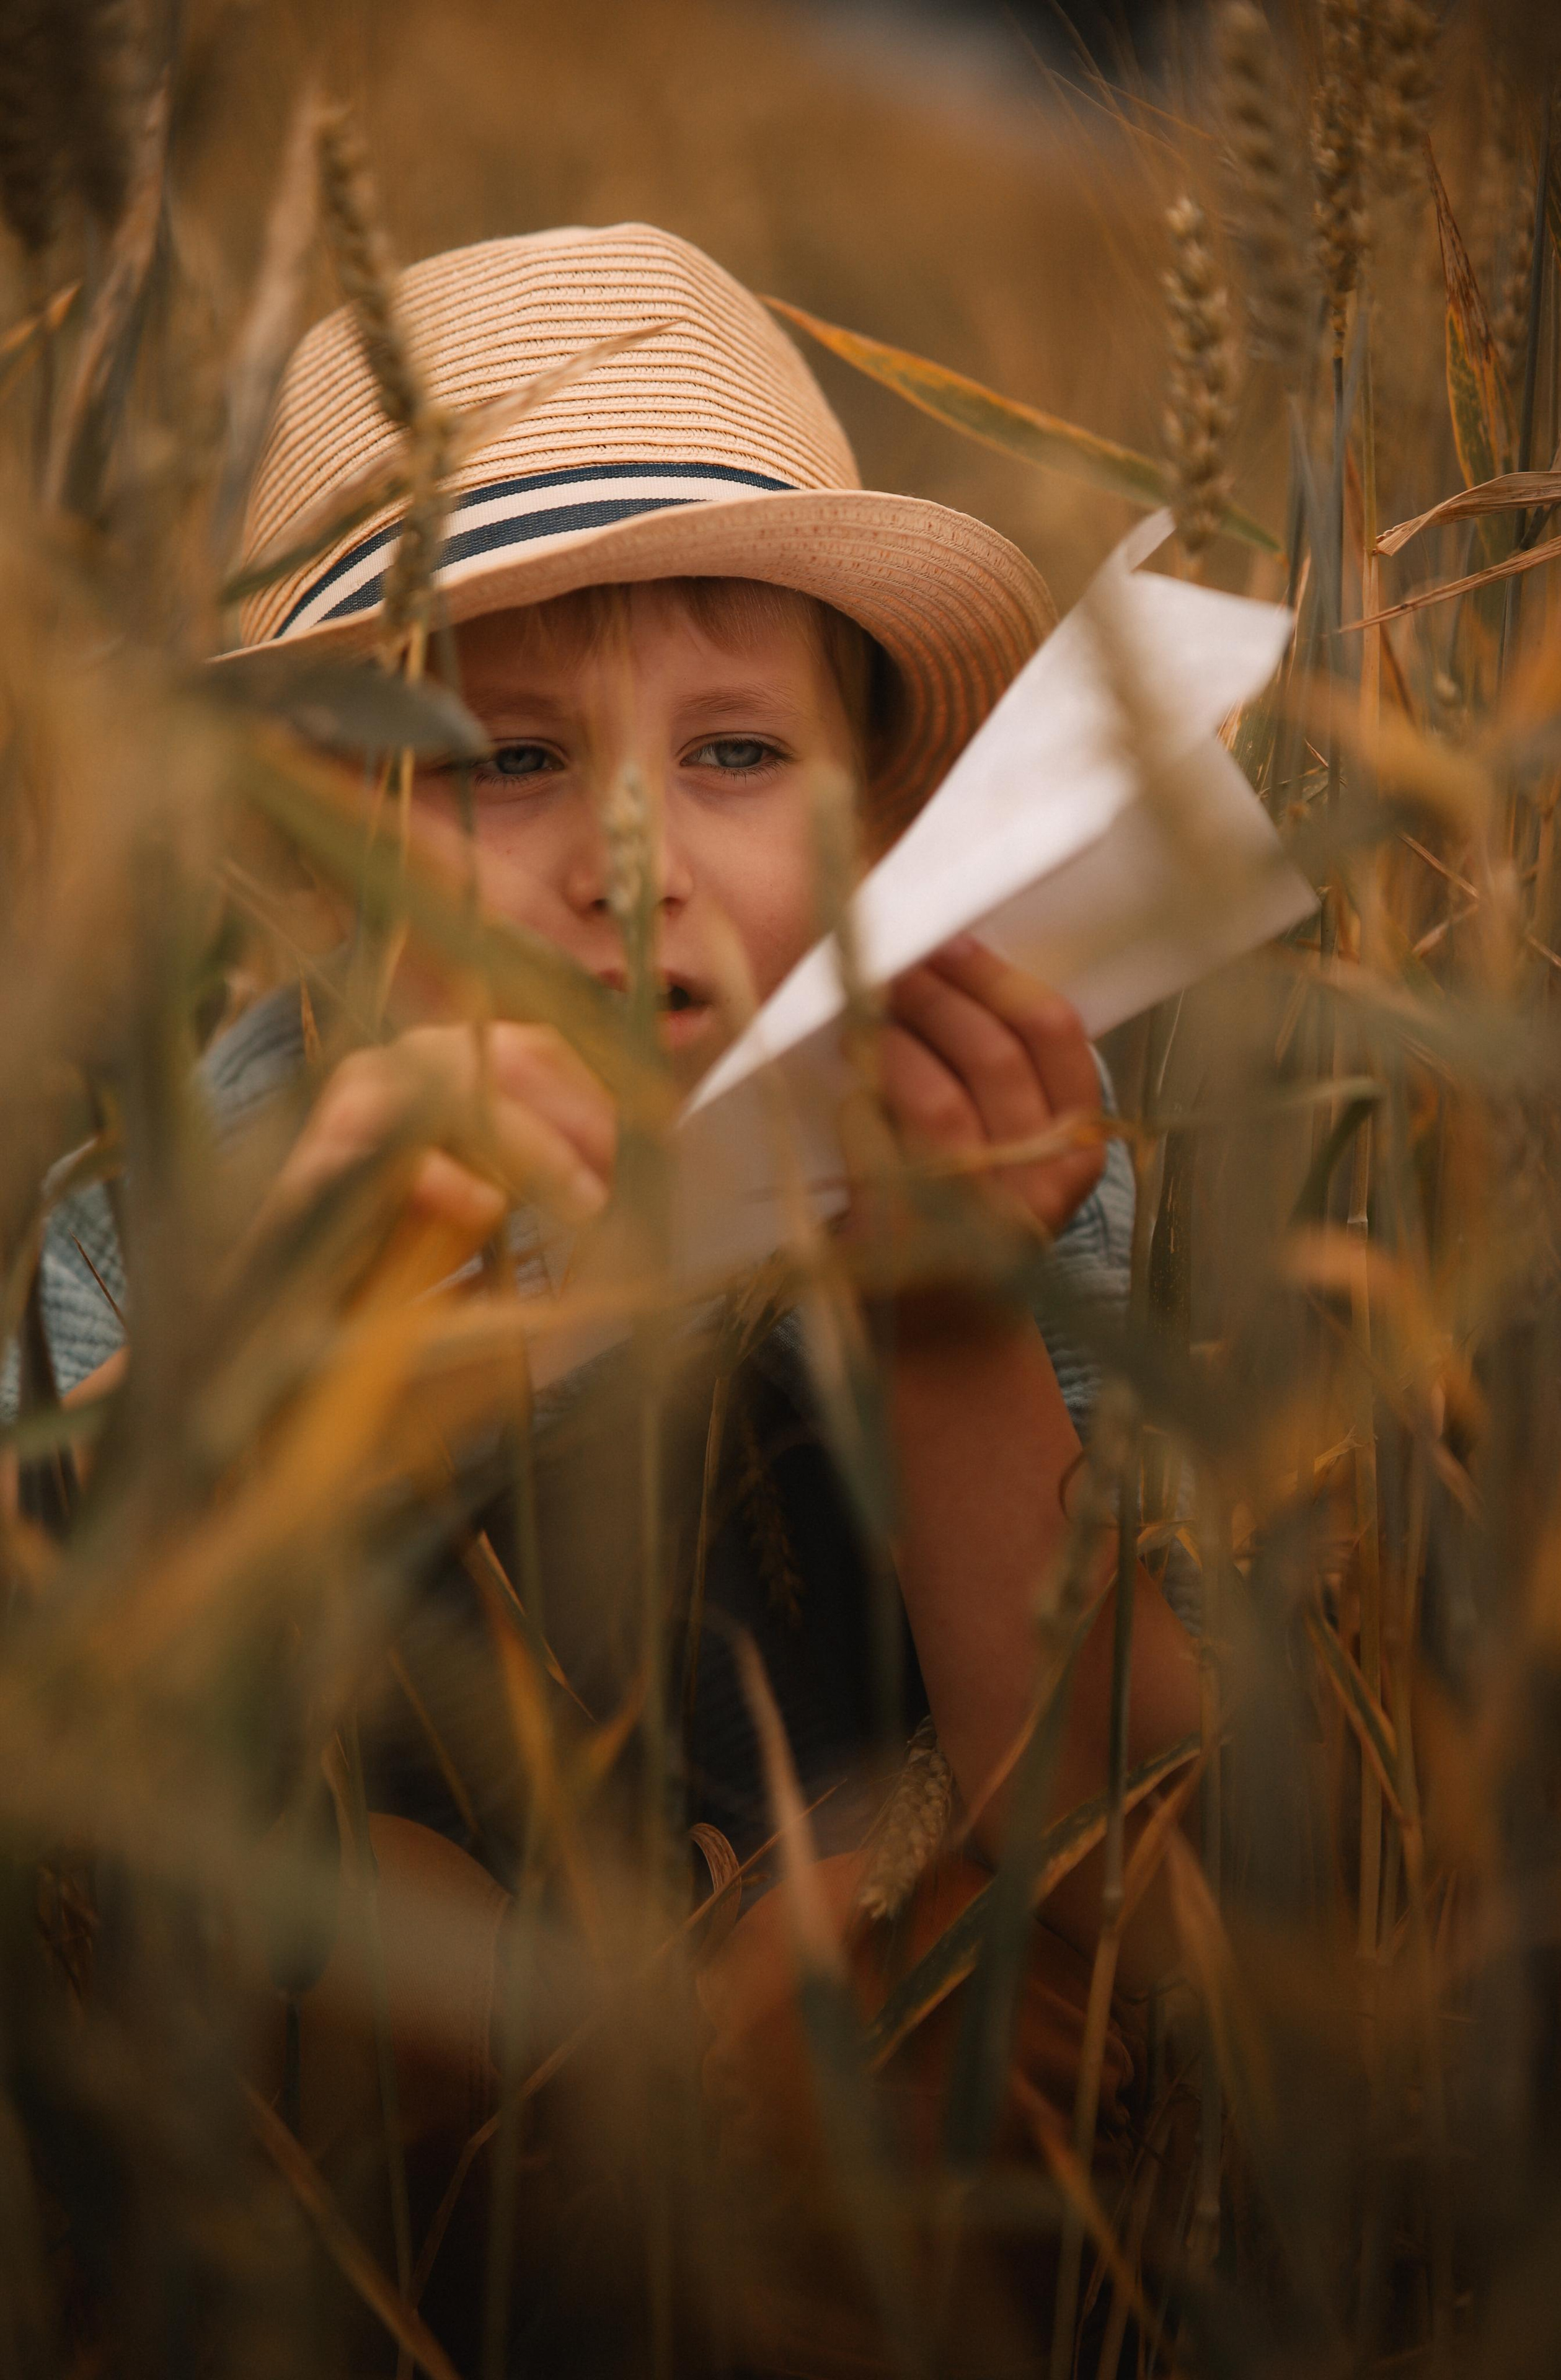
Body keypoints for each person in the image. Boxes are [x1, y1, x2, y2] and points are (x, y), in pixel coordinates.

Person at [17, 223, 1201, 2369]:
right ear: (317, 837)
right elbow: (111, 1823)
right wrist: (316, 1360)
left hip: (884, 2051)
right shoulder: (170, 1213)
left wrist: (953, 1317)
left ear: (877, 819)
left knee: (932, 1950)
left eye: (737, 758)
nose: (632, 857)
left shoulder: (983, 1116)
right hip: (407, 2159)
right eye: (507, 760)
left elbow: (1147, 1833)